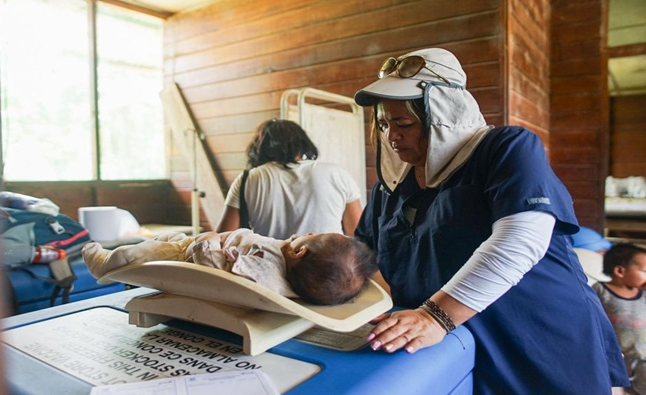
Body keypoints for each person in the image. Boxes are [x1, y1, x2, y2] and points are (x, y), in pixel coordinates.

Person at [352, 47, 629, 393]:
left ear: (444, 113)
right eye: (384, 124)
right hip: (460, 352)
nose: (392, 137)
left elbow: (522, 239)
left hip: (537, 339)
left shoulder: (505, 149)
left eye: (404, 124)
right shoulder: (389, 190)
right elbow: (363, 253)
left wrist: (434, 315)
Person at [82, 228, 377, 306]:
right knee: (161, 240)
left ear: (300, 251)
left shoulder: (264, 269)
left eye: (314, 235)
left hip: (184, 253)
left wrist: (209, 240)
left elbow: (213, 269)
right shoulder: (292, 278)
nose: (309, 231)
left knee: (142, 252)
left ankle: (104, 264)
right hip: (195, 242)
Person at [216, 119, 362, 239]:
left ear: (261, 147)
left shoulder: (248, 179)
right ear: (302, 142)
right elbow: (357, 234)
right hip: (329, 266)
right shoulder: (337, 173)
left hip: (272, 266)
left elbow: (223, 237)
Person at [593, 243, 646, 395]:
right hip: (618, 357)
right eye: (644, 271)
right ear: (620, 271)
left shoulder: (643, 294)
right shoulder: (600, 290)